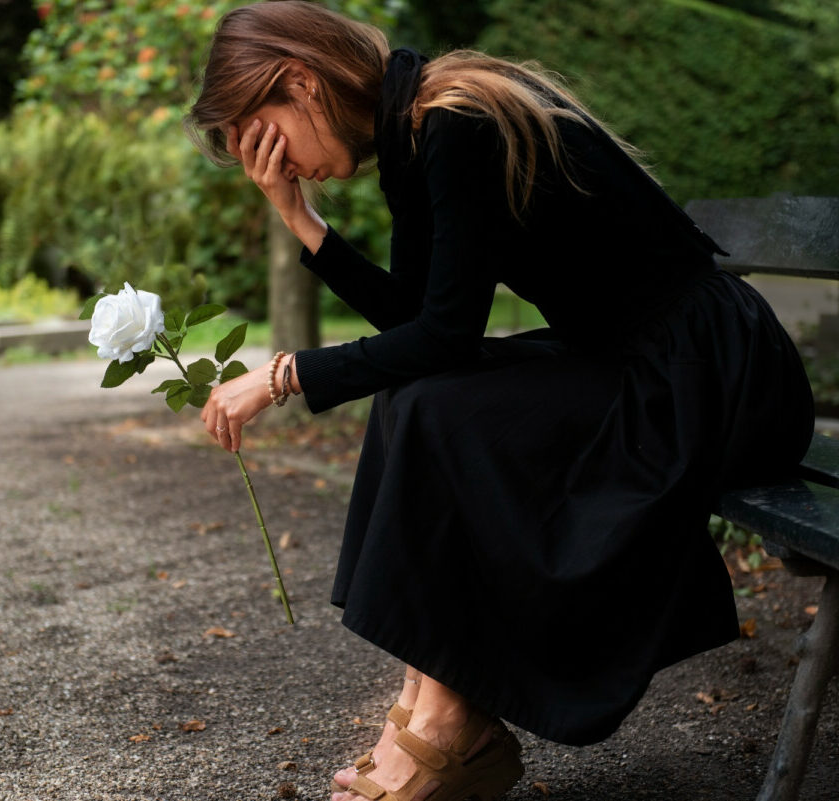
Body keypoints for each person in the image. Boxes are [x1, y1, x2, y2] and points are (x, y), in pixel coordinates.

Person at [187, 2, 815, 799]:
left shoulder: (459, 122)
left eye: (263, 132)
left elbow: (445, 334)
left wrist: (284, 375)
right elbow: (417, 324)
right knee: (418, 398)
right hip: (631, 357)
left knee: (437, 405)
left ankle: (451, 724)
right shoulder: (414, 136)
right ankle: (433, 705)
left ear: (302, 83)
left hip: (711, 373)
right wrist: (298, 219)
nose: (271, 159)